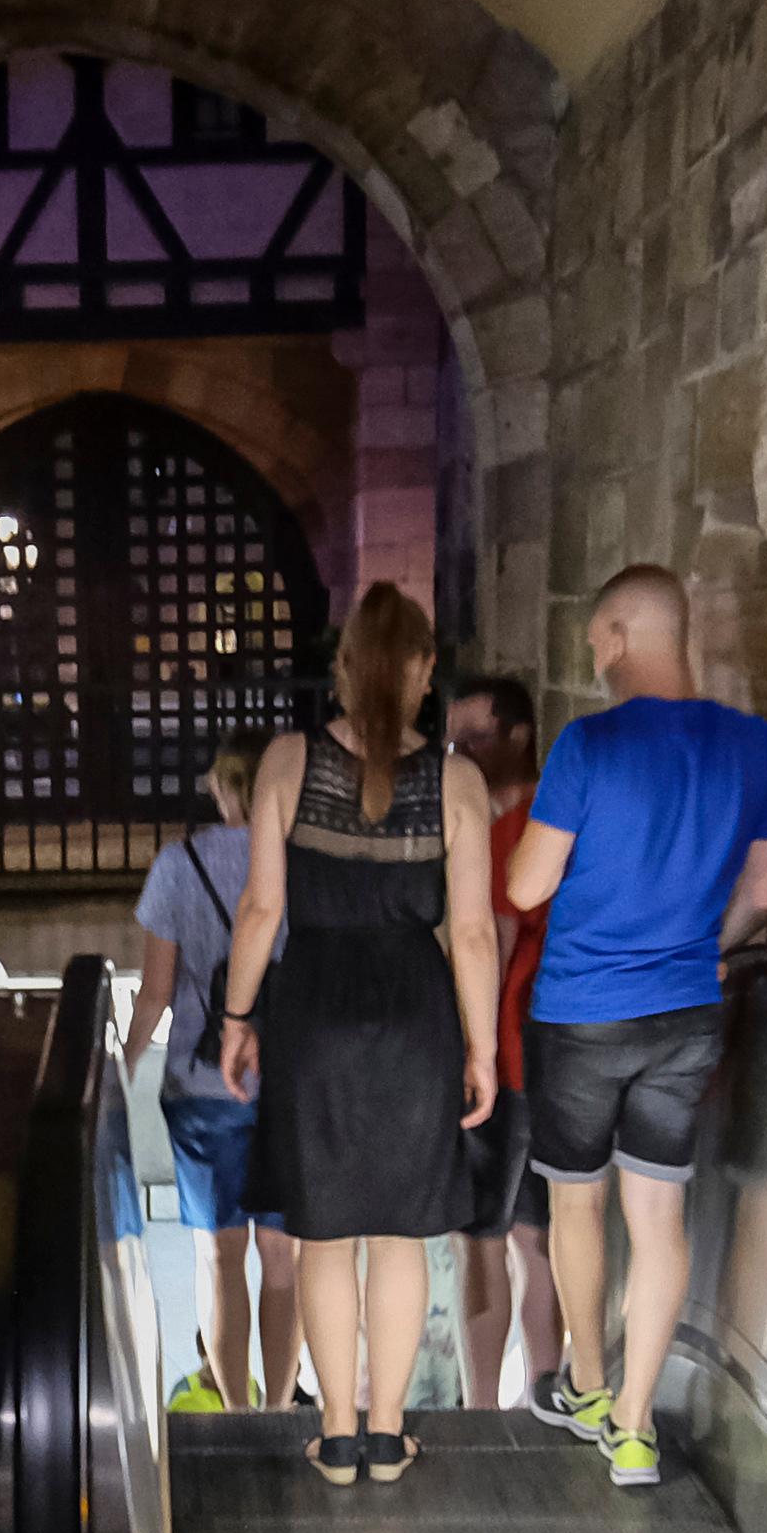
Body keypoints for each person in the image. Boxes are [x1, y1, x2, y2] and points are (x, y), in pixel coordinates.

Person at [504, 563, 767, 1492]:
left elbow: (526, 887)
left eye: (594, 639)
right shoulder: (754, 746)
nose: (593, 655)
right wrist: (707, 946)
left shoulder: (588, 747)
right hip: (685, 1013)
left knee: (575, 1204)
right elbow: (765, 894)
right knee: (659, 1215)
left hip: (582, 1013)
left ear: (621, 633)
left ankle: (585, 1384)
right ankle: (634, 1430)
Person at [214, 583, 497, 1487]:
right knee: (403, 1236)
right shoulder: (457, 780)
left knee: (325, 1237)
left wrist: (237, 1016)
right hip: (417, 1015)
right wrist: (482, 1047)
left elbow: (261, 909)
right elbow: (476, 932)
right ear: (420, 671)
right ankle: (386, 1433)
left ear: (342, 668)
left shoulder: (288, 762)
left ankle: (335, 1436)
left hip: (315, 1011)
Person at [125, 741, 287, 1410]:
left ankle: (237, 1414)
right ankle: (280, 1410)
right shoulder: (297, 865)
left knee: (220, 1258)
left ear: (220, 791)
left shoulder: (176, 866)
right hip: (285, 1087)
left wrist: (123, 1065)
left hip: (200, 1088)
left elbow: (156, 991)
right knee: (284, 1262)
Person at [442, 668, 560, 1413]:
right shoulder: (568, 820)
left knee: (480, 1239)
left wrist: (465, 1047)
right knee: (540, 1239)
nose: (460, 752)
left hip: (505, 1053)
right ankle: (550, 1393)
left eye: (474, 737)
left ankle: (480, 1408)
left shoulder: (503, 837)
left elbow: (492, 936)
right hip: (567, 1056)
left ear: (519, 734)